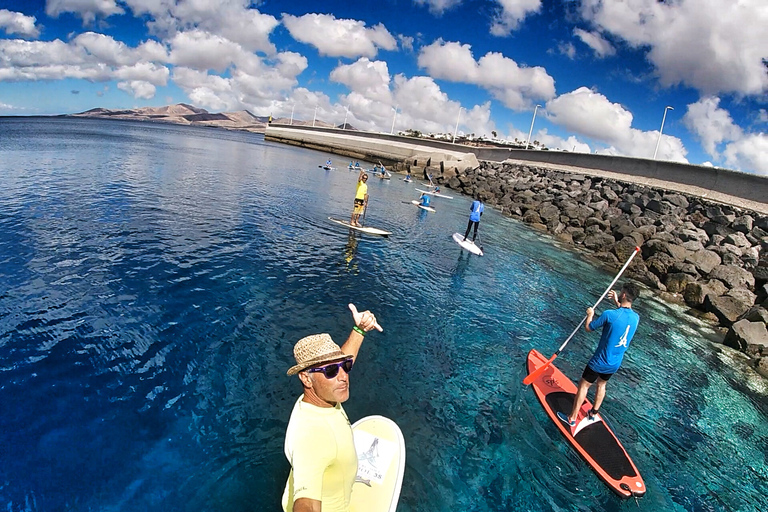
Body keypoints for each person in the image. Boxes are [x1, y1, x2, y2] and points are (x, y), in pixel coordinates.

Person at [282, 303, 383, 512]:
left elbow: (339, 363)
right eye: (330, 371)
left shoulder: (318, 398)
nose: (344, 376)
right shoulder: (312, 436)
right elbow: (306, 504)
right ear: (306, 379)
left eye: (344, 366)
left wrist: (360, 330)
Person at [557, 282, 641, 427]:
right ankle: (593, 414)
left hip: (599, 361)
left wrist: (590, 314)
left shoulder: (609, 314)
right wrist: (616, 301)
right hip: (615, 363)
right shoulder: (636, 318)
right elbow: (622, 316)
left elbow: (589, 327)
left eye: (621, 292)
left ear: (624, 295)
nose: (619, 293)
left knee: (584, 385)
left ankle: (572, 418)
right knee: (601, 385)